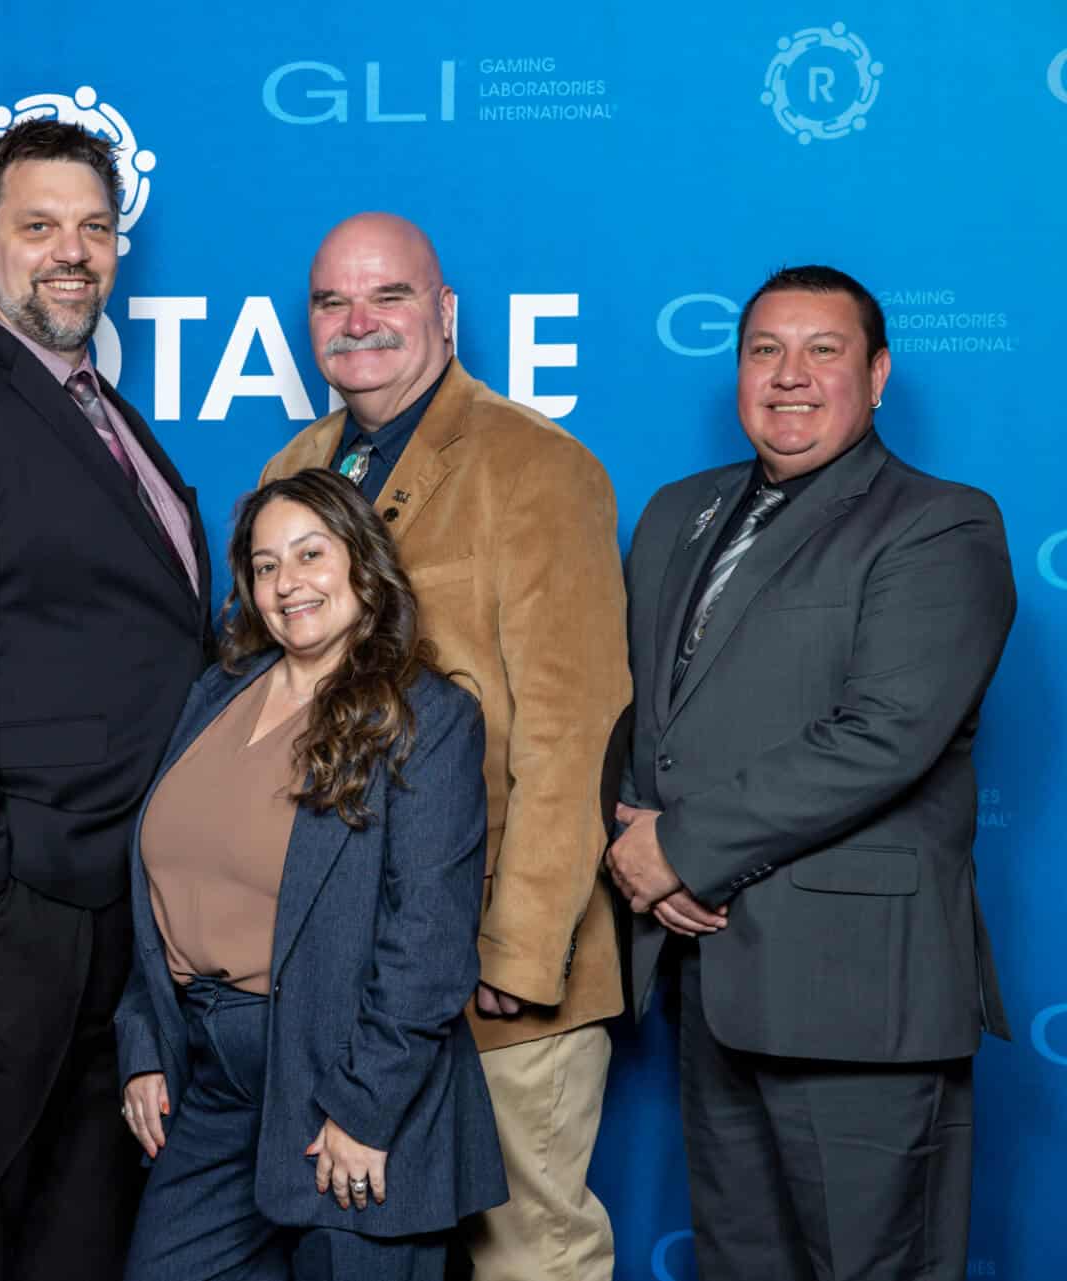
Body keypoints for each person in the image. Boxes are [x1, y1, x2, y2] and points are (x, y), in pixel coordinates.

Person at [609, 265, 1016, 1281]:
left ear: (876, 377)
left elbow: (885, 734)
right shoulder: (677, 514)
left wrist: (682, 849)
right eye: (764, 351)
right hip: (712, 979)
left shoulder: (940, 524)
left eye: (822, 351)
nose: (790, 376)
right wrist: (625, 822)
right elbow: (640, 707)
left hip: (858, 993)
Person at [0, 117, 214, 1281]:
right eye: (38, 227)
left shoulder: (101, 413)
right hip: (18, 905)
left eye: (94, 227)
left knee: (83, 1218)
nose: (71, 251)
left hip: (122, 900)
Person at [259, 213, 627, 1279]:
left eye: (390, 297)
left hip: (498, 977)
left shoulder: (538, 466)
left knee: (531, 1259)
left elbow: (574, 730)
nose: (359, 323)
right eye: (333, 302)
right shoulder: (297, 466)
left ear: (447, 313)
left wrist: (520, 948)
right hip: (352, 982)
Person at [115, 468, 505, 1281]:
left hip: (349, 1082)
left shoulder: (427, 719)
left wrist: (365, 1109)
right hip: (213, 1081)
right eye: (264, 565)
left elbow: (428, 943)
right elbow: (165, 883)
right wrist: (144, 1040)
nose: (287, 583)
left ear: (363, 564)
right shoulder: (216, 692)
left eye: (310, 553)